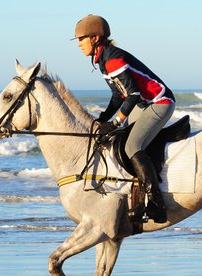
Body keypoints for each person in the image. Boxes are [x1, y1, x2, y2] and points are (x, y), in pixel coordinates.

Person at [73, 14, 175, 223]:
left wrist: (115, 122)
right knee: (119, 139)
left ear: (94, 38)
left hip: (160, 102)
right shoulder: (101, 60)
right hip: (143, 104)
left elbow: (133, 94)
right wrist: (102, 120)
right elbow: (118, 96)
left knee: (132, 147)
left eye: (81, 39)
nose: (79, 44)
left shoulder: (112, 59)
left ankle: (157, 204)